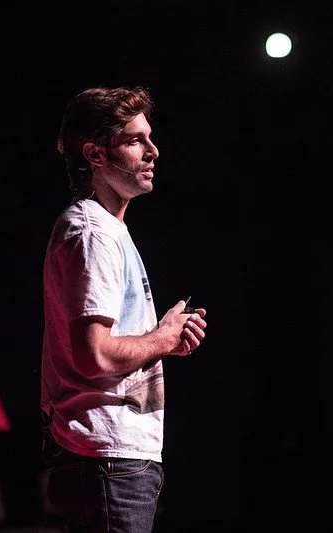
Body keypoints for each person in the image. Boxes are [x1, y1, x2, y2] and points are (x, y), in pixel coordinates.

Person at [39, 85, 208, 533]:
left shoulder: (109, 231)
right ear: (94, 154)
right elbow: (93, 356)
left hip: (115, 458)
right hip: (107, 458)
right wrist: (161, 338)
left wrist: (163, 343)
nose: (153, 151)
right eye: (134, 141)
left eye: (149, 138)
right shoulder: (92, 232)